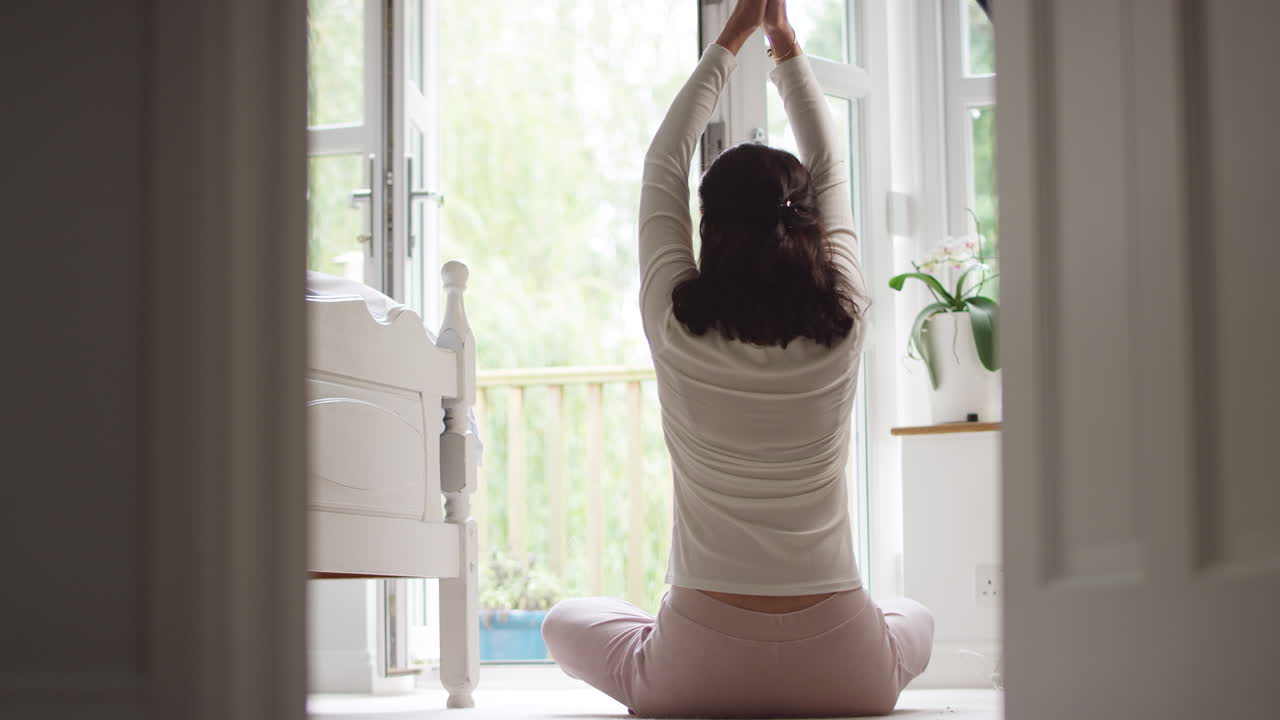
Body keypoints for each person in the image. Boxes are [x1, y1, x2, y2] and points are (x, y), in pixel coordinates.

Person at [542, 0, 933, 716]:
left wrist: (733, 35)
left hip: (697, 666)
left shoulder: (675, 324)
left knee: (564, 620)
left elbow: (662, 164)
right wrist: (784, 43)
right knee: (914, 616)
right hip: (845, 665)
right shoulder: (845, 322)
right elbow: (832, 167)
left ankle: (664, 646)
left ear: (708, 228)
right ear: (810, 225)